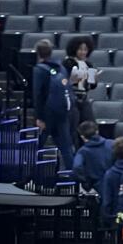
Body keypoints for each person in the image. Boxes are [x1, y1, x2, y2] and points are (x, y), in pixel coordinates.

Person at [32, 38, 74, 169]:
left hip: (47, 113)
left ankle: (33, 174)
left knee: (37, 145)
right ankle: (73, 177)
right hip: (62, 112)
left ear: (38, 53)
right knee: (66, 148)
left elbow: (38, 95)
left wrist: (39, 117)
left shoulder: (39, 69)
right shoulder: (61, 68)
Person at [64, 35, 98, 128]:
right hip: (71, 99)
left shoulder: (89, 64)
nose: (83, 52)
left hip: (83, 98)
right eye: (80, 49)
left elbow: (92, 85)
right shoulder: (68, 63)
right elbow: (64, 81)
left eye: (85, 49)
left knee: (90, 125)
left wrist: (94, 79)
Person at [72, 121, 113, 193]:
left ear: (82, 137)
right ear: (97, 132)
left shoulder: (82, 152)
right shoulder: (113, 144)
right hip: (117, 183)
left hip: (98, 187)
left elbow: (77, 167)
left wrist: (86, 185)